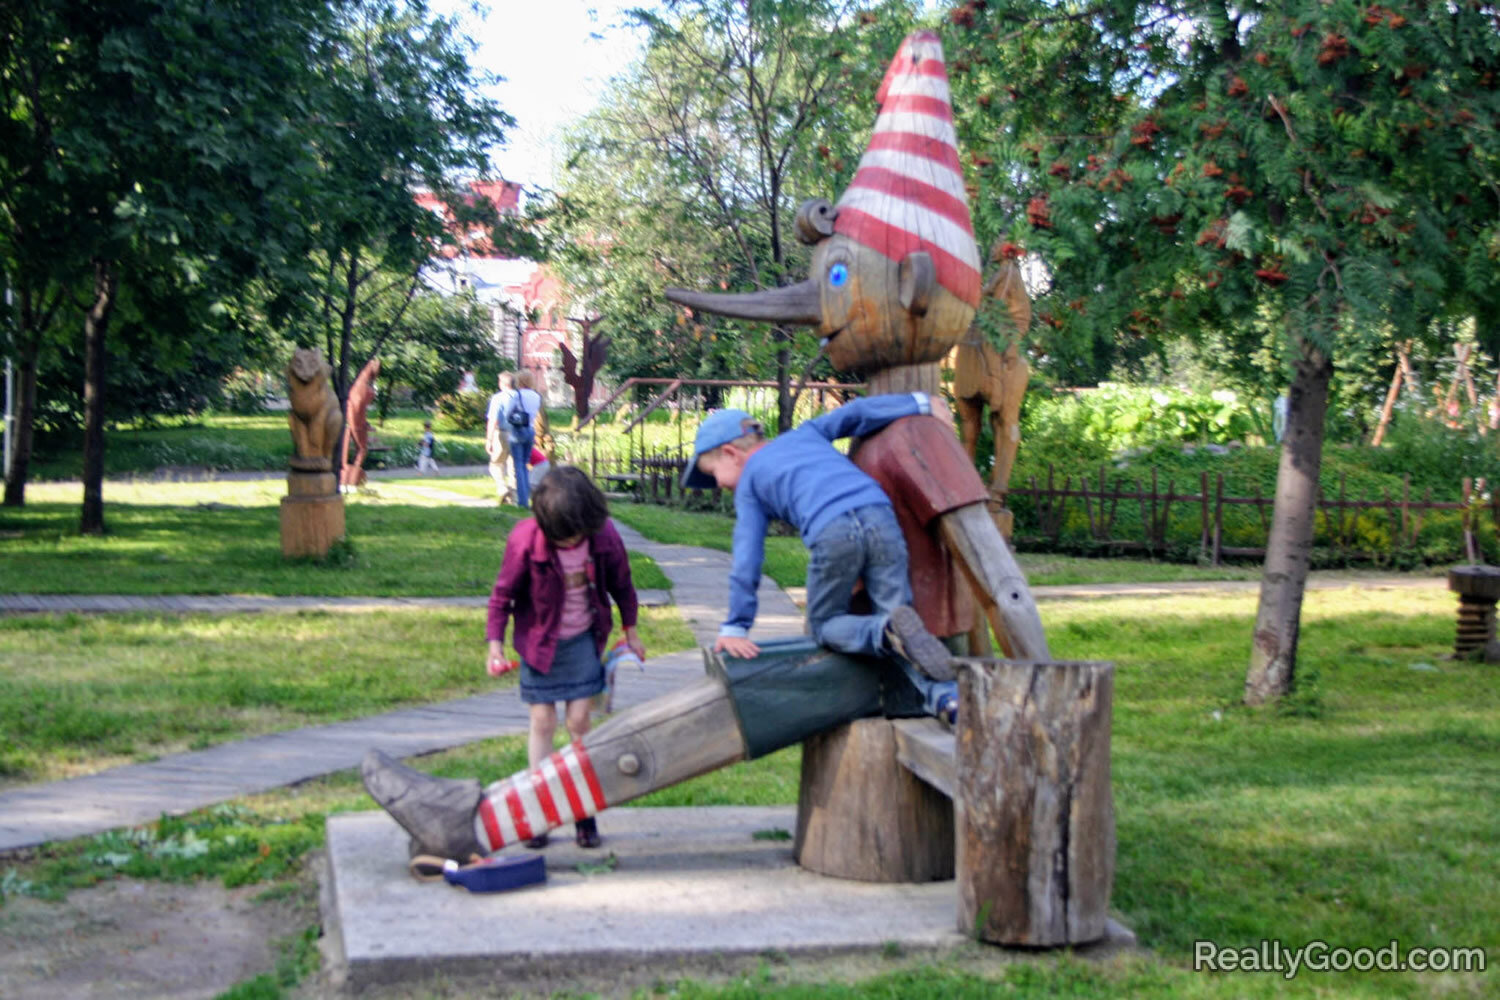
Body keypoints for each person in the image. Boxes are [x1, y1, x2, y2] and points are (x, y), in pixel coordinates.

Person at [682, 392, 958, 722]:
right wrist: (920, 403)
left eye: (714, 474)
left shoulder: (749, 484)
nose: (717, 485)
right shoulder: (805, 433)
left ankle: (884, 632)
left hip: (832, 531)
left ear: (731, 454)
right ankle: (946, 699)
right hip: (881, 516)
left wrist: (736, 626)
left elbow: (747, 557)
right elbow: (856, 413)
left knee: (824, 626)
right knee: (900, 613)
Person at [486, 465, 646, 849]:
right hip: (540, 646)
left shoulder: (603, 537)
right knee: (542, 722)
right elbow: (502, 596)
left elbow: (623, 584)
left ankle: (582, 811)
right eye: (563, 537)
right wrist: (495, 644)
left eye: (577, 535)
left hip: (583, 643)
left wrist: (631, 630)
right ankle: (539, 812)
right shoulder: (525, 540)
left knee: (579, 721)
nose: (572, 542)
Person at [504, 370, 543, 508]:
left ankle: (522, 501)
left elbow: (508, 413)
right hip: (530, 430)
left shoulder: (517, 394)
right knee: (525, 464)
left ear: (519, 381)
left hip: (517, 431)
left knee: (518, 466)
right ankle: (527, 496)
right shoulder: (537, 396)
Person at [485, 373, 516, 504]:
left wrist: (489, 439)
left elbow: (493, 420)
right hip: (518, 433)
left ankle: (502, 488)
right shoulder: (519, 396)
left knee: (496, 463)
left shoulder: (498, 398)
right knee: (513, 466)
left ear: (502, 384)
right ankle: (513, 497)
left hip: (502, 433)